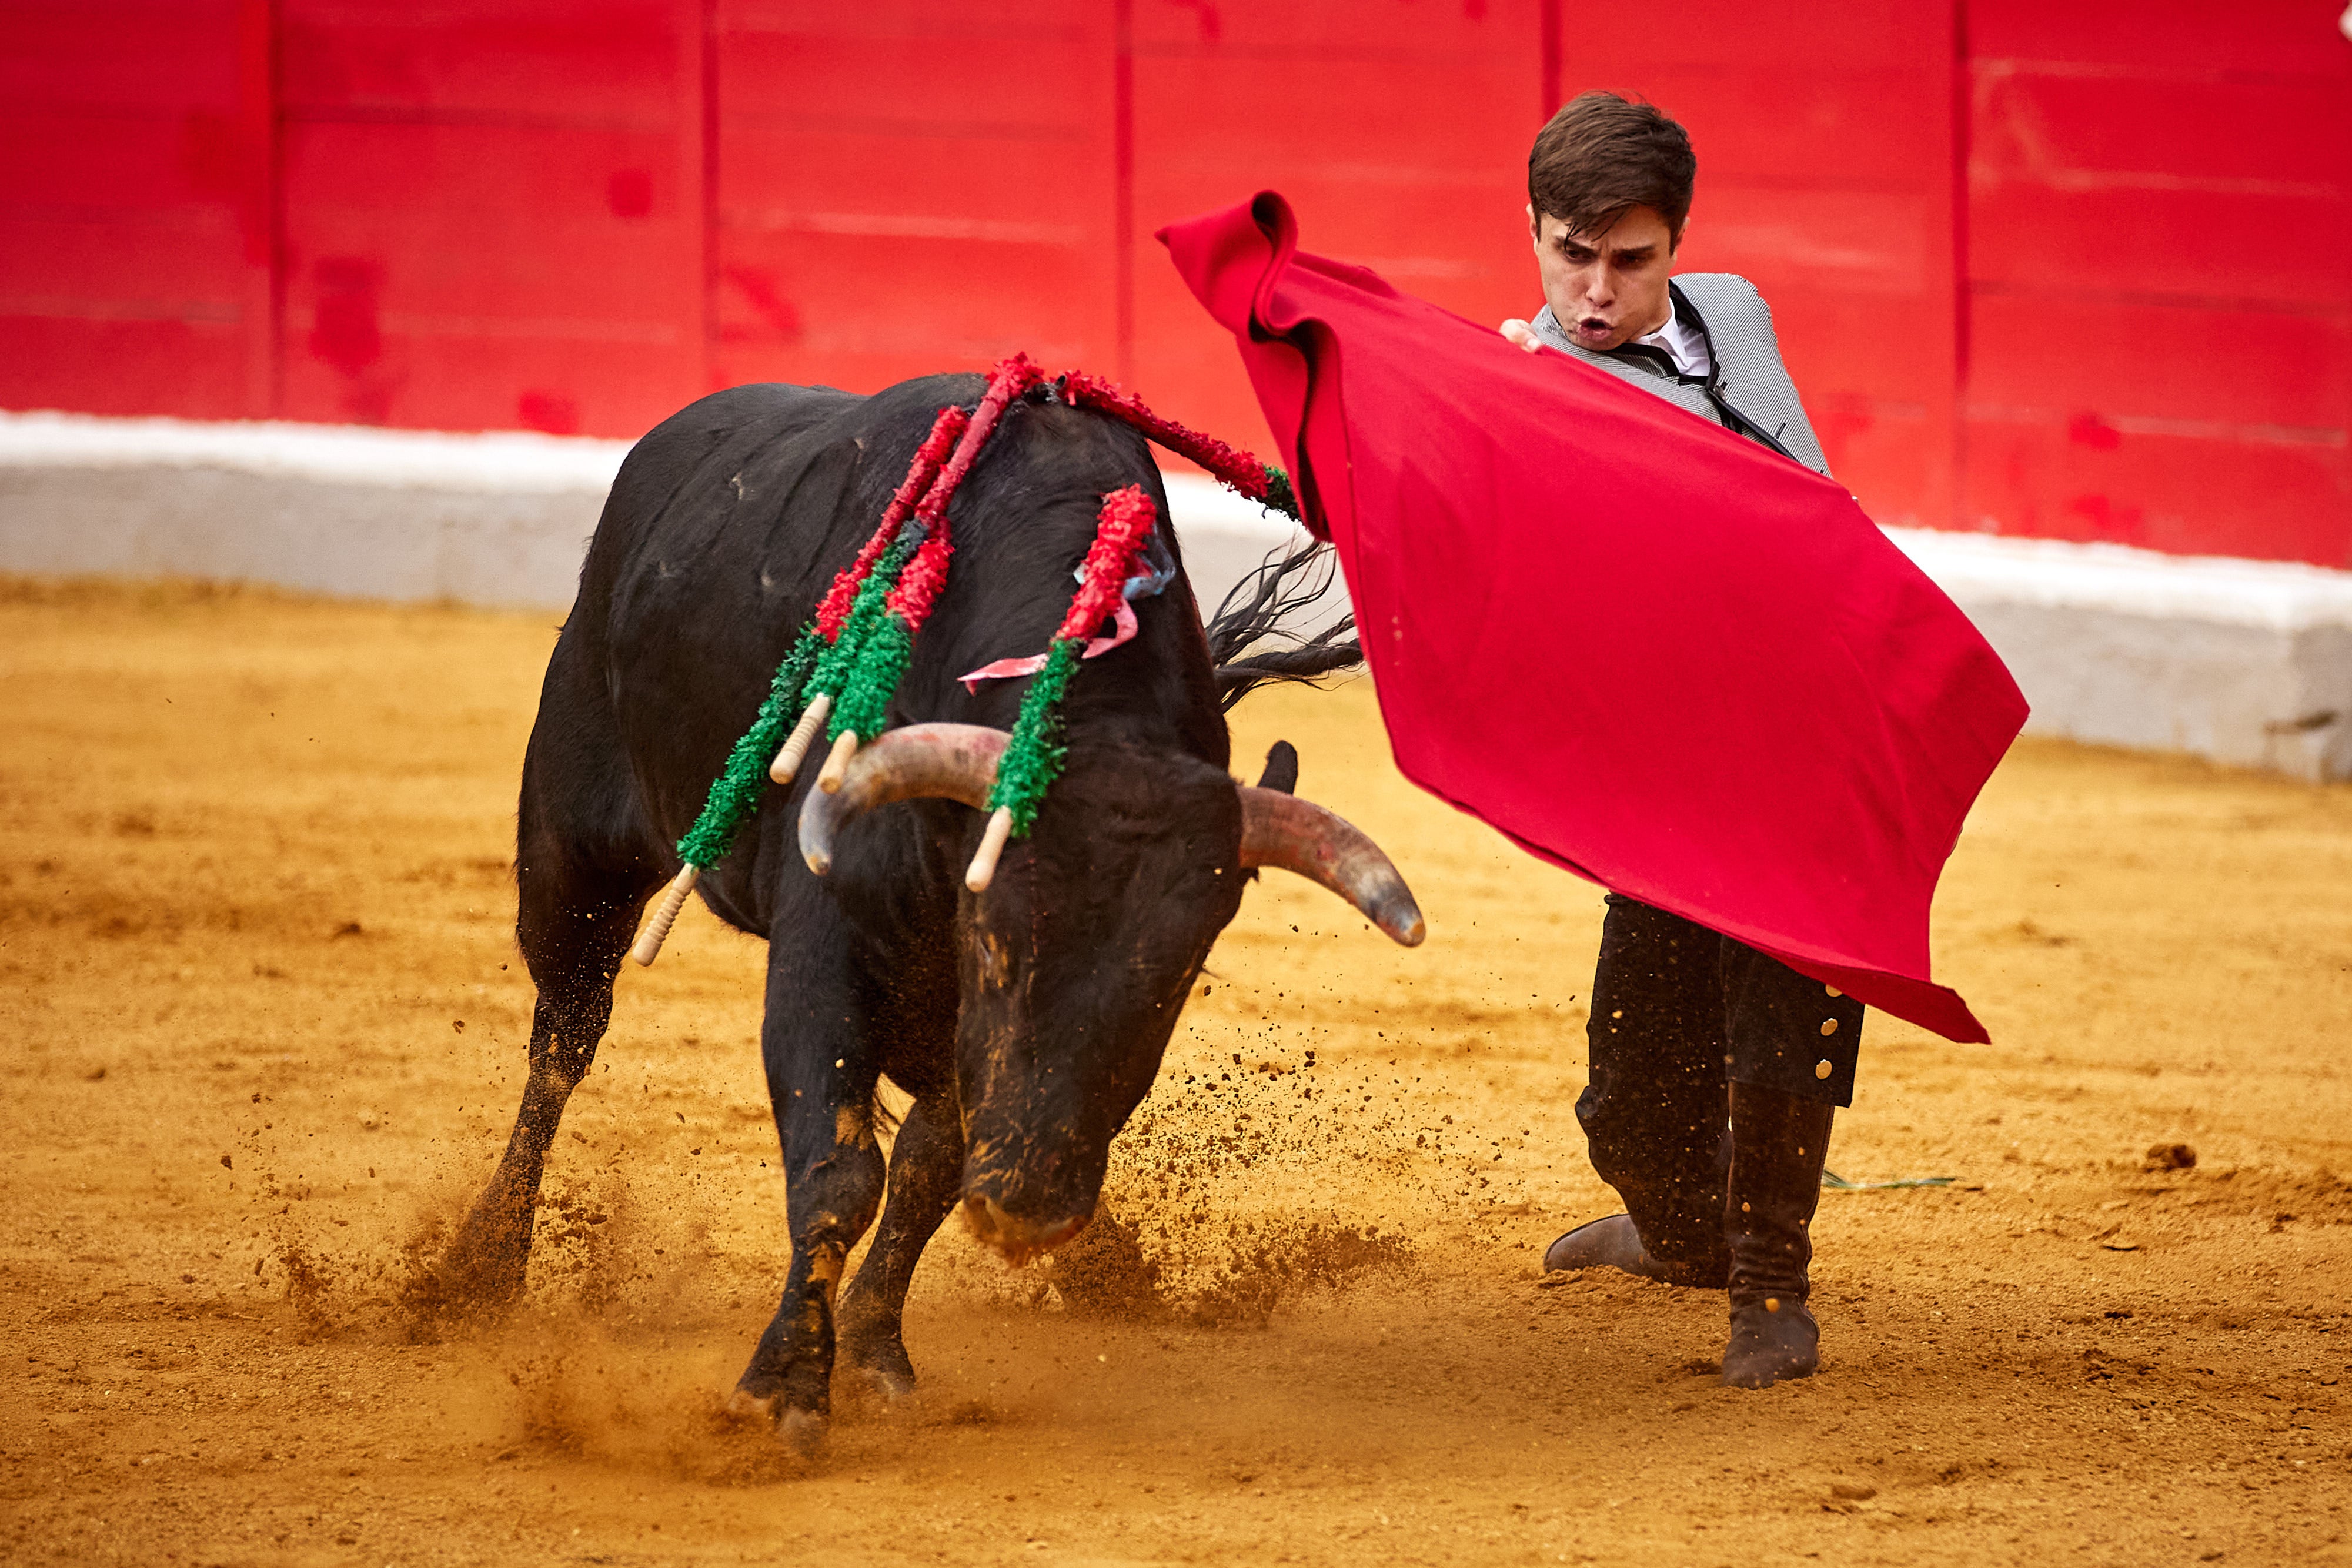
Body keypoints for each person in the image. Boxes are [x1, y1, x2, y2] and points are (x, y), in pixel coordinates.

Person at [1498, 91, 1862, 1390]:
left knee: (1777, 1023)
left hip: (1806, 727)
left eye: (1629, 260)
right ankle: (1682, 1234)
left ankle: (1770, 1289)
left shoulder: (1739, 310)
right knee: (1628, 1103)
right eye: (1568, 253)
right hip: (1668, 767)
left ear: (1677, 248)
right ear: (1530, 234)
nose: (1594, 291)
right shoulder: (1521, 390)